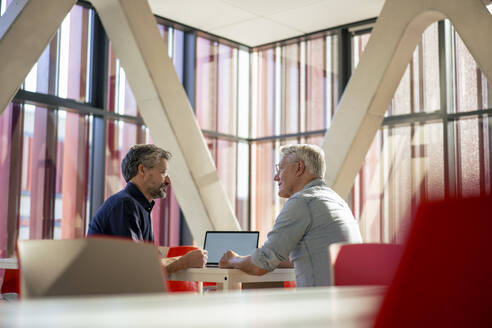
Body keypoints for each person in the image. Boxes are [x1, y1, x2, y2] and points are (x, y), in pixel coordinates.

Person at [219, 144, 362, 287]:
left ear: (299, 168)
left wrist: (233, 260)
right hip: (348, 301)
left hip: (321, 305)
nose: (276, 177)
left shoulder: (303, 201)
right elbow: (304, 255)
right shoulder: (337, 201)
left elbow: (261, 264)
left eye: (280, 168)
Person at [87, 144, 207, 274]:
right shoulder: (125, 205)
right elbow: (138, 269)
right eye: (163, 172)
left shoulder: (139, 206)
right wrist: (184, 262)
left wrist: (184, 260)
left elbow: (153, 262)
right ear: (142, 170)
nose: (168, 180)